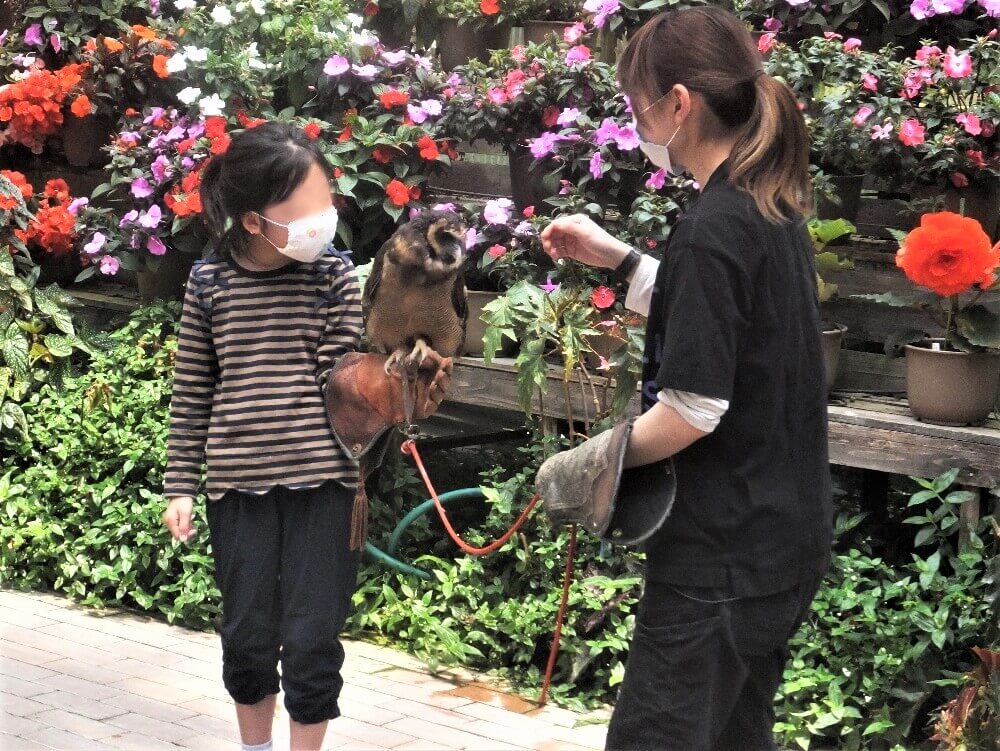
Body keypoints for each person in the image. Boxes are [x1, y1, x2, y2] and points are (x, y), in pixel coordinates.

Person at [540, 8, 834, 750]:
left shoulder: (715, 226)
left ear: (680, 104)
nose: (637, 125)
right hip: (781, 542)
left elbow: (694, 409)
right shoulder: (767, 208)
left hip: (720, 555)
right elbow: (730, 324)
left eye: (638, 107)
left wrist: (592, 463)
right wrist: (621, 261)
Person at [160, 122, 448, 751]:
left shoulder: (337, 279)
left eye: (328, 205)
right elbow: (192, 390)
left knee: (314, 637)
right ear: (256, 222)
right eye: (306, 212)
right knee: (248, 634)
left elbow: (342, 379)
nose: (324, 222)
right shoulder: (209, 285)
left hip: (326, 486)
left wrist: (395, 382)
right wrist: (180, 483)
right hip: (237, 487)